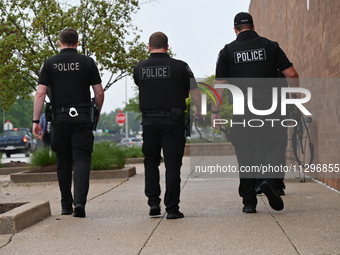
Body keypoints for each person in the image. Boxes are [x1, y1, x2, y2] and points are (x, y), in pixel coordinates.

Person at [211, 12, 300, 213]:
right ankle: (269, 180)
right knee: (275, 145)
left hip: (243, 110)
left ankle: (249, 202)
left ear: (235, 30)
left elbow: (220, 85)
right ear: (253, 26)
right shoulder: (270, 46)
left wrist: (214, 112)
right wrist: (295, 95)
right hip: (271, 107)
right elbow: (291, 73)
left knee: (245, 153)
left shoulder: (227, 51)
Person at [32, 28, 104, 218]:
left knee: (63, 161)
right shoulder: (87, 62)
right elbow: (99, 93)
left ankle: (66, 205)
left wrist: (36, 120)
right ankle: (79, 203)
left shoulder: (49, 63)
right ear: (77, 43)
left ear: (59, 42)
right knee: (81, 159)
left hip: (59, 118)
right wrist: (96, 113)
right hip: (81, 117)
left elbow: (40, 93)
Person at [133, 32, 203, 219]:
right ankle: (172, 208)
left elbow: (142, 85)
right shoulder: (180, 67)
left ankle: (153, 203)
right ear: (167, 46)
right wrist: (200, 110)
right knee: (173, 165)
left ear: (149, 47)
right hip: (173, 121)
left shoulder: (139, 68)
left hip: (149, 121)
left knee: (151, 162)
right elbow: (195, 92)